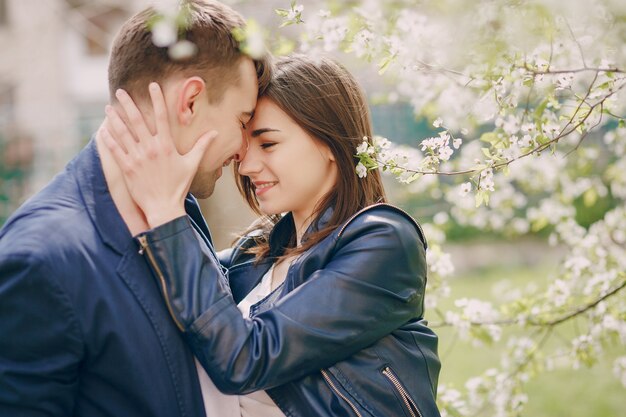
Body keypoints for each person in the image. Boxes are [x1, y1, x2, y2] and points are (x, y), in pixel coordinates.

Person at [104, 54, 441, 417]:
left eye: (268, 144)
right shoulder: (256, 254)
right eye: (245, 147)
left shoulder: (384, 242)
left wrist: (166, 212)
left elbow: (246, 359)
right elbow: (178, 296)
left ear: (329, 141)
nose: (246, 166)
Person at [0, 1, 270, 415]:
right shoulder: (41, 260)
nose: (242, 151)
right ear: (191, 102)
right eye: (242, 119)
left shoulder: (180, 211)